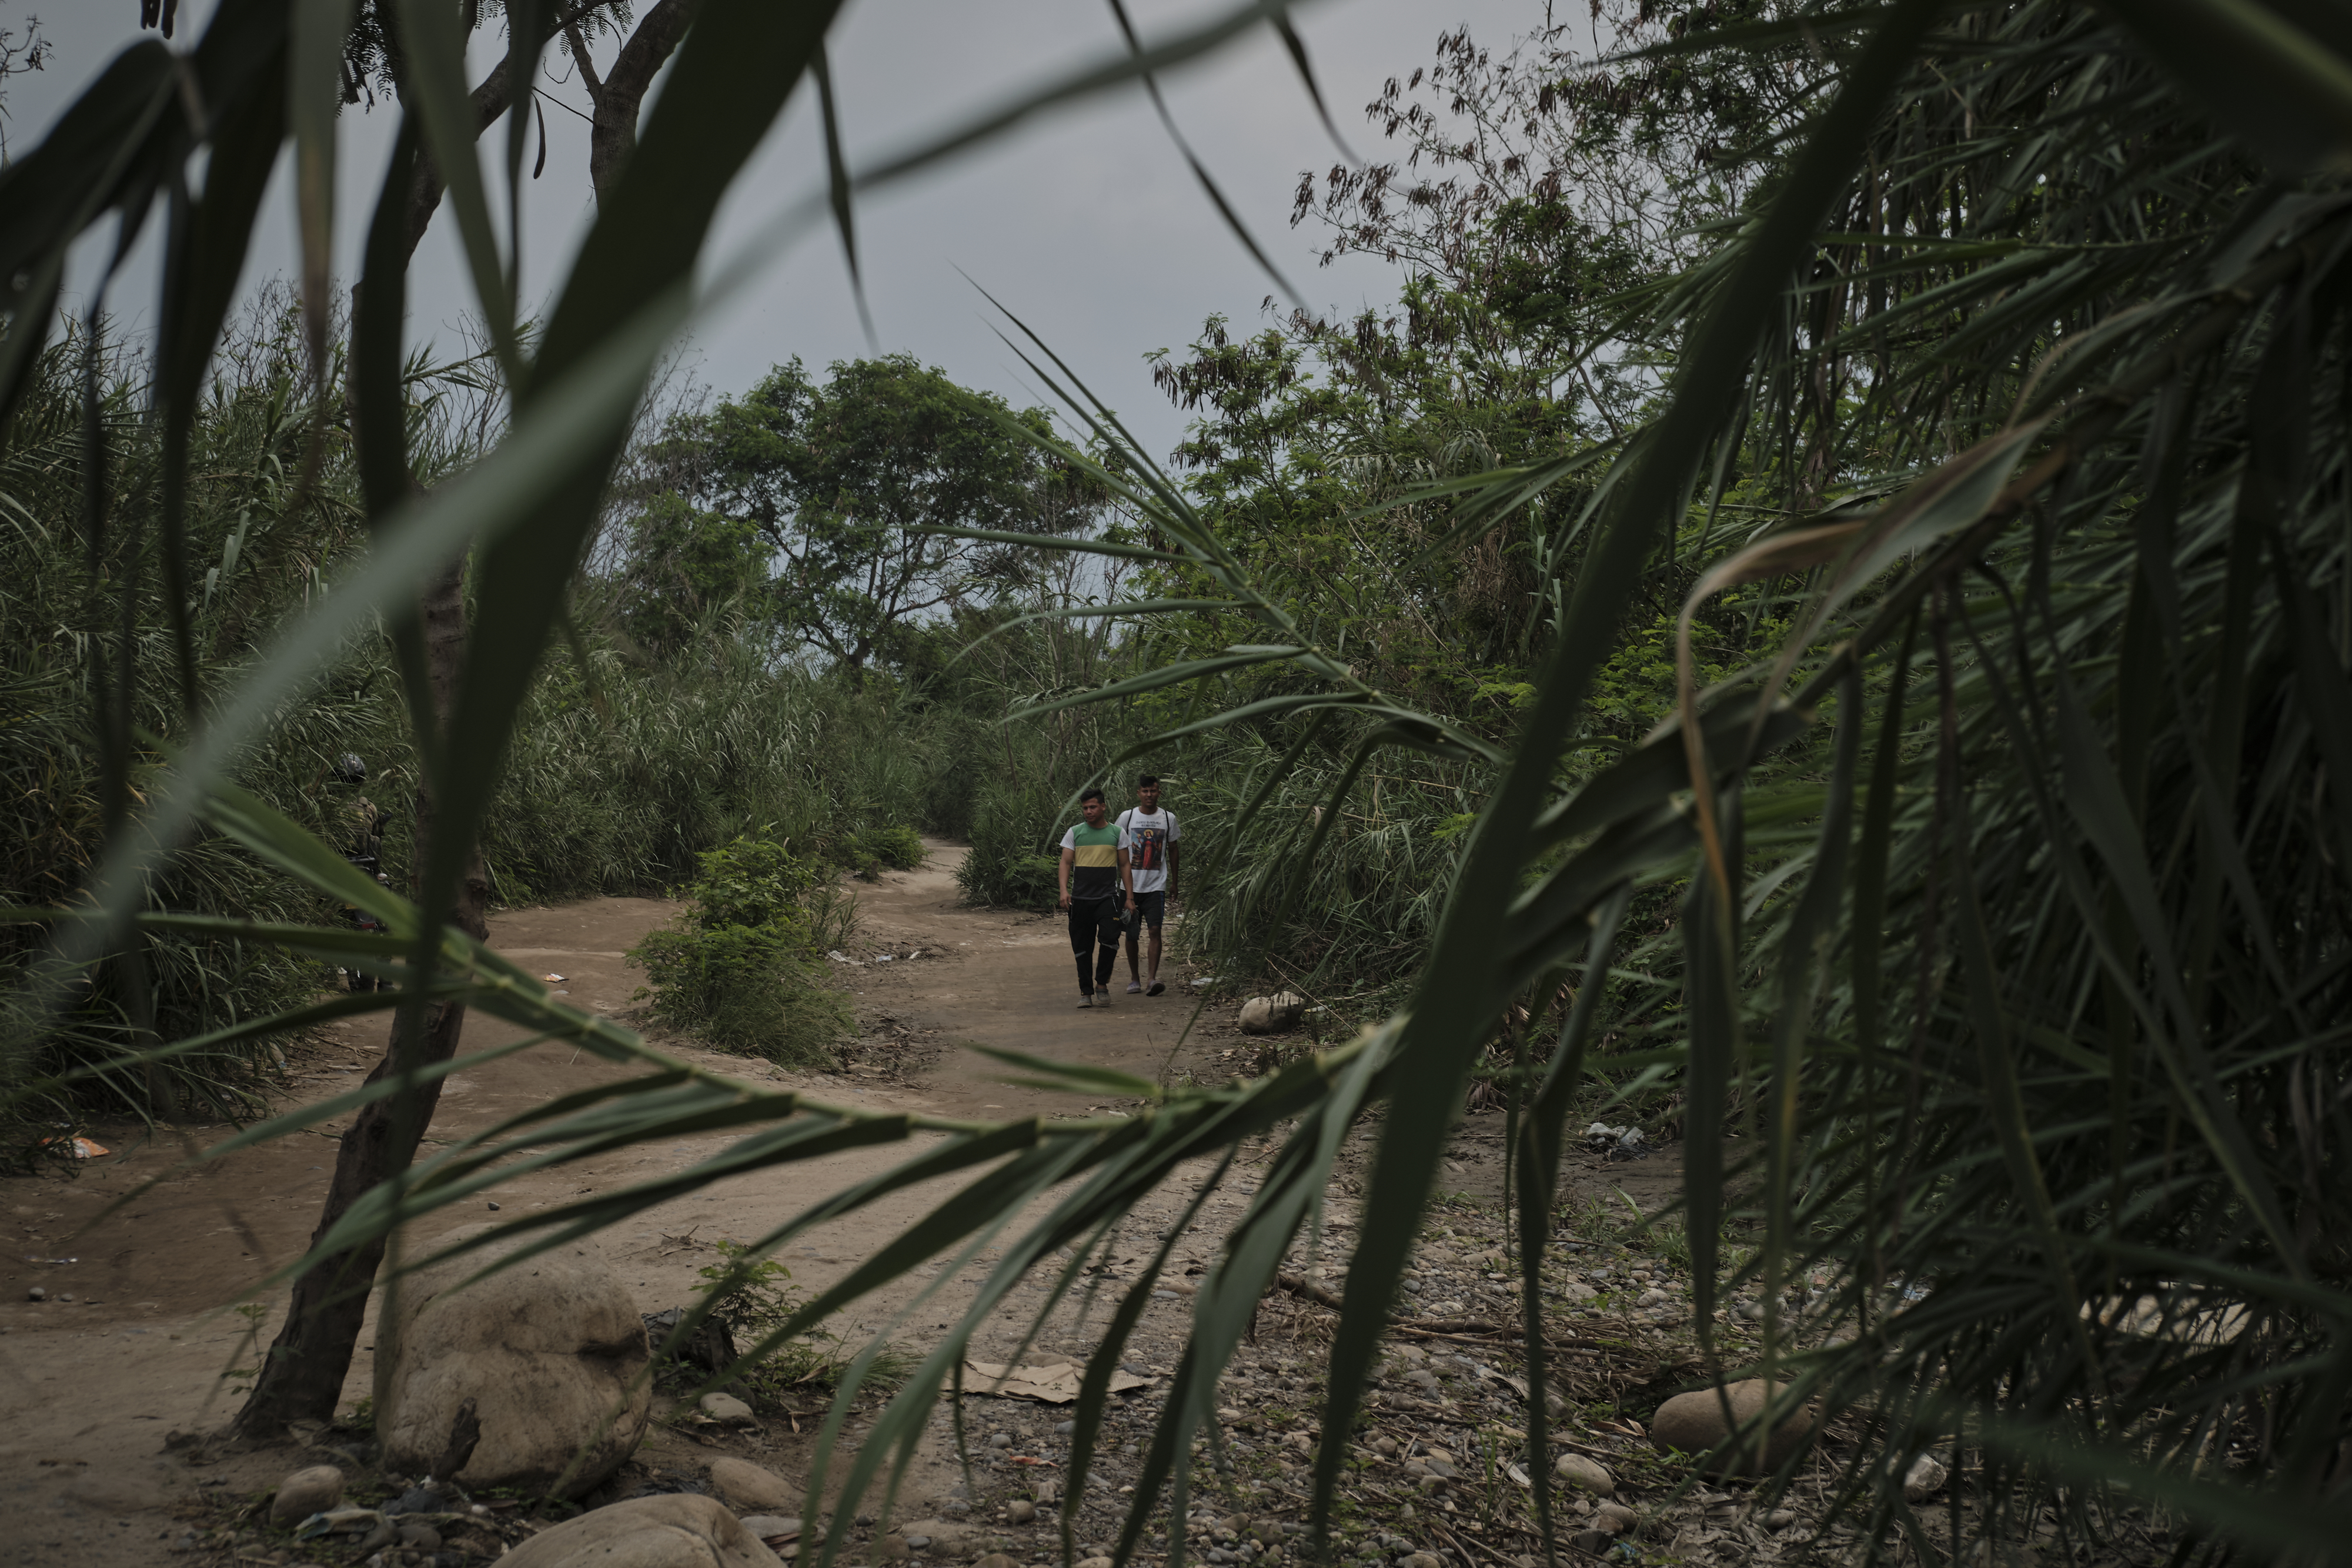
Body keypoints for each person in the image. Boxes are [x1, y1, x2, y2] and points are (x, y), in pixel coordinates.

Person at [1057, 787, 1135, 1008]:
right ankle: (1086, 992)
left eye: (1093, 807)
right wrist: (1064, 891)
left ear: (1103, 806)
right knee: (1082, 946)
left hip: (1107, 897)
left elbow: (1125, 865)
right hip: (1080, 899)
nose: (1088, 812)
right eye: (1085, 808)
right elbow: (1065, 863)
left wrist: (1129, 897)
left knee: (1110, 939)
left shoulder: (1117, 833)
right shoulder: (1075, 833)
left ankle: (1102, 984)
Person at [328, 754, 390, 993]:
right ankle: (386, 980)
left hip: (339, 872)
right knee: (383, 917)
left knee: (323, 907)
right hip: (367, 870)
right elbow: (378, 833)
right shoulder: (369, 806)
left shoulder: (328, 805)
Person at [1117, 775, 1180, 995]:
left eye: (1153, 791)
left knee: (1155, 930)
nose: (1149, 795)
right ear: (1138, 793)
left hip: (1156, 885)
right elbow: (1117, 848)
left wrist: (1175, 881)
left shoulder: (1168, 818)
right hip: (1130, 888)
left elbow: (1173, 849)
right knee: (1132, 934)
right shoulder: (1128, 817)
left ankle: (1152, 979)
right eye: (1145, 791)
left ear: (1159, 792)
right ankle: (1135, 978)